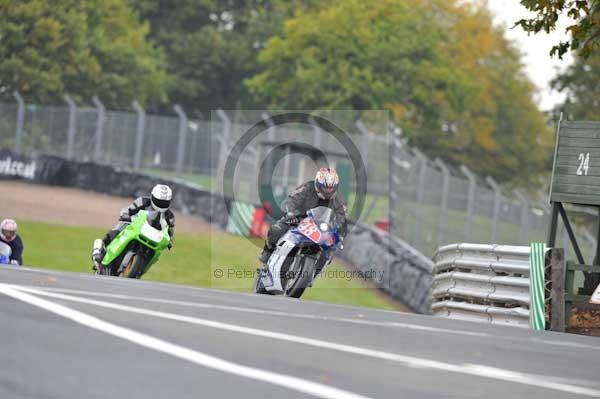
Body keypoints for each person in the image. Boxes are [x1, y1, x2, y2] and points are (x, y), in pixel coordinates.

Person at [258, 167, 348, 266]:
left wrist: (337, 230)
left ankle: (313, 272)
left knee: (330, 250)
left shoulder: (338, 199)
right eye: (325, 188)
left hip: (322, 228)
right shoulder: (307, 187)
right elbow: (292, 200)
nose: (327, 191)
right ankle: (267, 252)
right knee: (277, 229)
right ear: (318, 184)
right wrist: (290, 213)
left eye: (331, 188)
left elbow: (342, 217)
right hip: (298, 219)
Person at [92, 184, 175, 269]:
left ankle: (143, 266)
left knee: (159, 251)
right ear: (152, 197)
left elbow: (170, 230)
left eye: (164, 202)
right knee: (120, 227)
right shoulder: (143, 201)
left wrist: (170, 241)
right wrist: (125, 216)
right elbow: (128, 210)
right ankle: (99, 250)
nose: (161, 204)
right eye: (159, 201)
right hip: (134, 226)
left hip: (153, 236)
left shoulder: (170, 216)